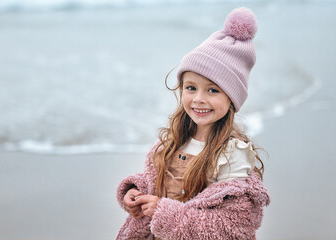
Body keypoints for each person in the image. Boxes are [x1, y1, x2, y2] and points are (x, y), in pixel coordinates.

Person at [116, 7, 270, 240]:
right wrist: (136, 193)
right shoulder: (172, 141)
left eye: (212, 90)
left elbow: (232, 227)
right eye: (191, 87)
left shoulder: (232, 155)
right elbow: (158, 183)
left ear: (232, 98)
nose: (199, 98)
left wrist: (164, 213)